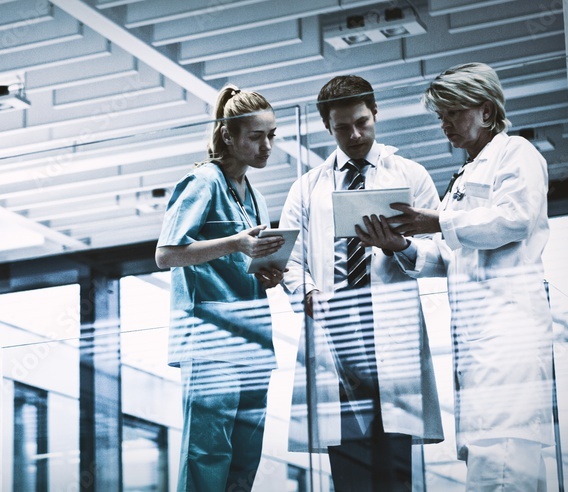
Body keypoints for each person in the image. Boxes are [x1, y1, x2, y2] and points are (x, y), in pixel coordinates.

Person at [357, 62, 554, 490]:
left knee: (500, 460)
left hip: (508, 335)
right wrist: (402, 246)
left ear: (486, 111)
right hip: (478, 339)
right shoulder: (465, 176)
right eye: (441, 116)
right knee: (494, 458)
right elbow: (449, 257)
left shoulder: (516, 153)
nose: (445, 124)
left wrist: (438, 221)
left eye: (454, 113)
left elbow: (514, 220)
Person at [279, 75, 443, 491]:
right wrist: (310, 292)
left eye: (362, 123)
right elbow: (289, 259)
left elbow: (442, 253)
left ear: (376, 114)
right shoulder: (306, 187)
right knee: (348, 463)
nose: (354, 135)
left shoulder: (411, 175)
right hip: (337, 330)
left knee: (393, 463)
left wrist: (400, 246)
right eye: (342, 127)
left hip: (388, 328)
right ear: (326, 127)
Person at [156, 85, 284, 492]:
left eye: (271, 136)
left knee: (246, 456)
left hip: (252, 339)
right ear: (228, 136)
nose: (267, 146)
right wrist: (235, 243)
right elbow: (167, 254)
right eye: (256, 136)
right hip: (211, 341)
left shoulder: (256, 197)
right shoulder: (202, 182)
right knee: (208, 453)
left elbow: (243, 261)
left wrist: (267, 272)